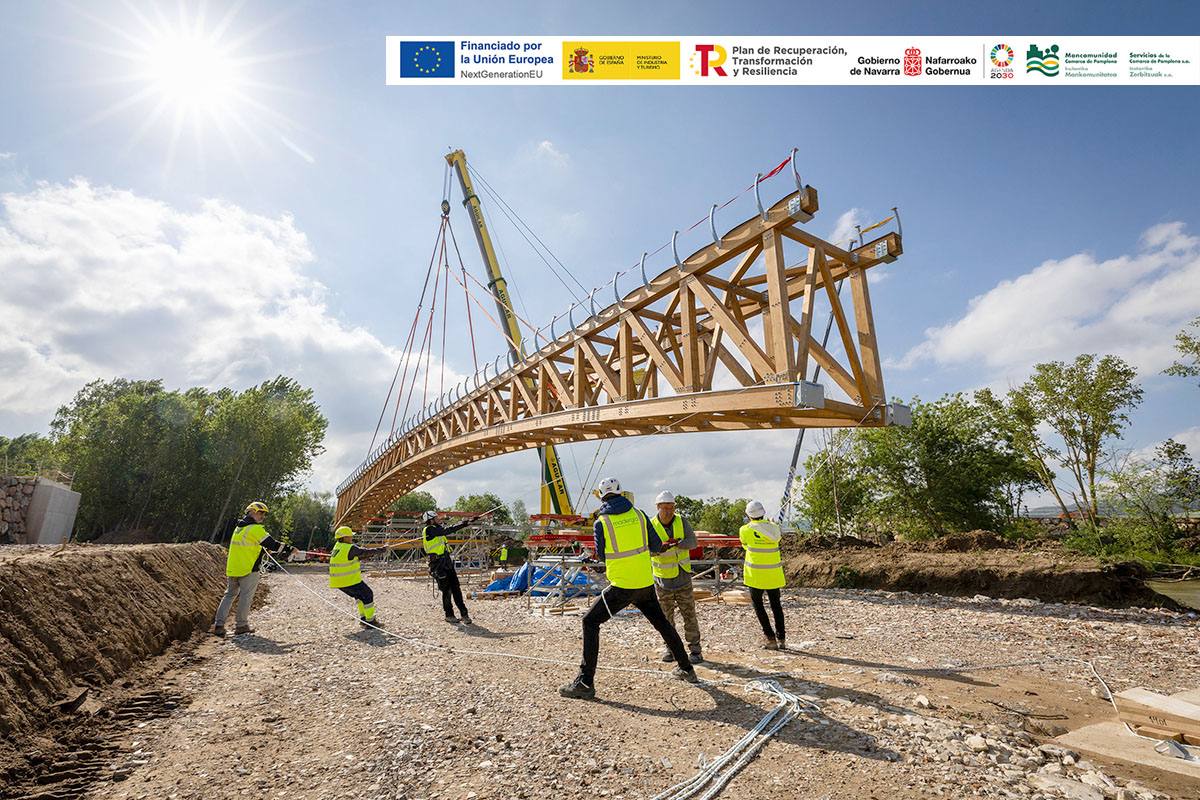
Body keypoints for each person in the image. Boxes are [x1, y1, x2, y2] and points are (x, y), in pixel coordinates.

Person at [559, 477, 698, 700]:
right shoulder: (640, 515)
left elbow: (601, 555)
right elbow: (655, 546)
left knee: (590, 622)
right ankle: (687, 669)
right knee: (662, 624)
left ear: (601, 496)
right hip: (645, 583)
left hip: (621, 586)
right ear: (621, 493)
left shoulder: (601, 522)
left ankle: (585, 682)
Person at [213, 501, 288, 636]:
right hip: (248, 569)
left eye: (264, 514)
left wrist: (263, 551)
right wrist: (290, 549)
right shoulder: (255, 528)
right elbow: (273, 544)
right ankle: (241, 626)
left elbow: (248, 547)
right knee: (245, 597)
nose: (263, 516)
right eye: (261, 513)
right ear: (252, 512)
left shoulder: (239, 528)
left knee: (229, 595)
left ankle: (219, 625)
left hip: (233, 568)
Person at [649, 490, 703, 664]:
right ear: (658, 508)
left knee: (689, 616)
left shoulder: (681, 521)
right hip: (662, 580)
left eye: (671, 508)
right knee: (666, 619)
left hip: (682, 578)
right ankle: (670, 649)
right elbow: (645, 549)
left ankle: (695, 650)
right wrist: (659, 549)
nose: (669, 512)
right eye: (665, 508)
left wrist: (678, 543)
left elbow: (693, 542)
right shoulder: (651, 525)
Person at [738, 500, 786, 650]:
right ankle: (782, 638)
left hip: (755, 575)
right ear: (763, 513)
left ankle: (770, 638)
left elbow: (745, 546)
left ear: (749, 515)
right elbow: (776, 536)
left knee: (758, 606)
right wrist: (771, 524)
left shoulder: (745, 530)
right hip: (773, 575)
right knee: (776, 606)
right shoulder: (774, 529)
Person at [328, 526, 395, 626]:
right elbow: (365, 552)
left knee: (359, 596)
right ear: (345, 537)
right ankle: (370, 621)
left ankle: (364, 618)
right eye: (350, 536)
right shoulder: (350, 548)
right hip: (349, 580)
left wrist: (373, 553)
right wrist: (383, 549)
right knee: (368, 594)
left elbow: (356, 556)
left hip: (338, 582)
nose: (352, 538)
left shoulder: (338, 547)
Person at [422, 509, 478, 624]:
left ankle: (464, 614)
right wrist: (464, 523)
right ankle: (449, 615)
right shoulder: (429, 530)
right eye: (436, 518)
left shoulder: (437, 530)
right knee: (446, 590)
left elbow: (445, 531)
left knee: (456, 588)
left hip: (446, 562)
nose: (438, 519)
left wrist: (467, 522)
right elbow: (448, 530)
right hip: (437, 565)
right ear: (431, 520)